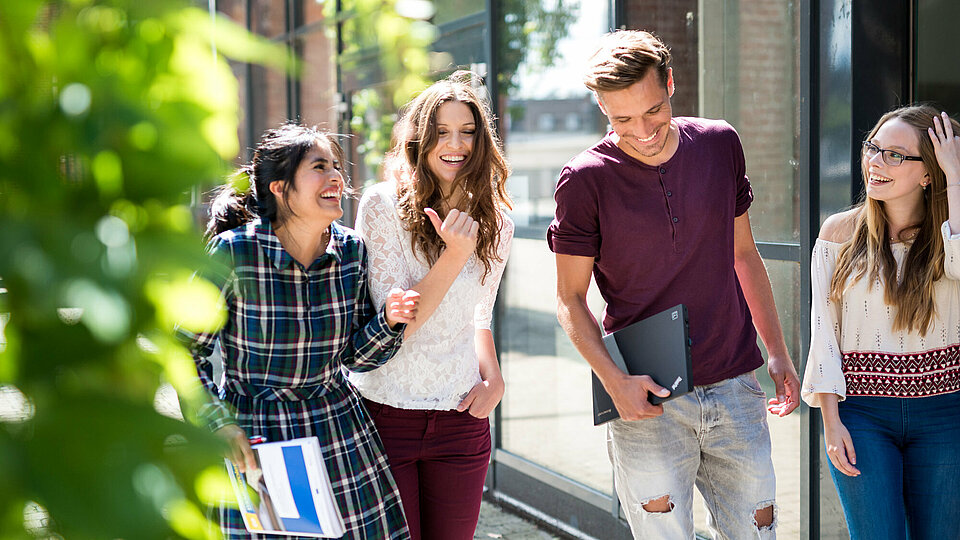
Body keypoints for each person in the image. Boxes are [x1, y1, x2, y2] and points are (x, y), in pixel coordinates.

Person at [547, 30, 800, 538]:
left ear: (670, 83)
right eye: (621, 119)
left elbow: (743, 255)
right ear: (601, 108)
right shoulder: (584, 180)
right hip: (646, 401)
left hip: (734, 386)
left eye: (653, 111)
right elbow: (570, 299)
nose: (642, 131)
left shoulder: (719, 144)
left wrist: (777, 351)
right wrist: (615, 383)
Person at [181, 123, 419, 539]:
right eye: (319, 167)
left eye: (336, 167)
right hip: (254, 436)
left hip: (336, 431)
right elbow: (183, 351)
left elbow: (354, 358)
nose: (336, 178)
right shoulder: (235, 253)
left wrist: (389, 322)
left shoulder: (350, 251)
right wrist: (218, 422)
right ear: (279, 187)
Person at [347, 72, 513, 540]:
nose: (455, 144)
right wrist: (455, 254)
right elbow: (399, 326)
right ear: (419, 140)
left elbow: (480, 312)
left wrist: (495, 377)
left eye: (466, 131)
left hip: (461, 417)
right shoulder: (382, 206)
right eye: (441, 132)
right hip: (385, 413)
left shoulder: (497, 222)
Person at [802, 105, 960, 539]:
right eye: (873, 148)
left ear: (929, 173)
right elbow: (824, 334)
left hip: (945, 412)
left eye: (895, 155)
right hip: (862, 413)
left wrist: (957, 177)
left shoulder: (951, 233)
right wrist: (831, 423)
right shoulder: (838, 234)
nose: (875, 161)